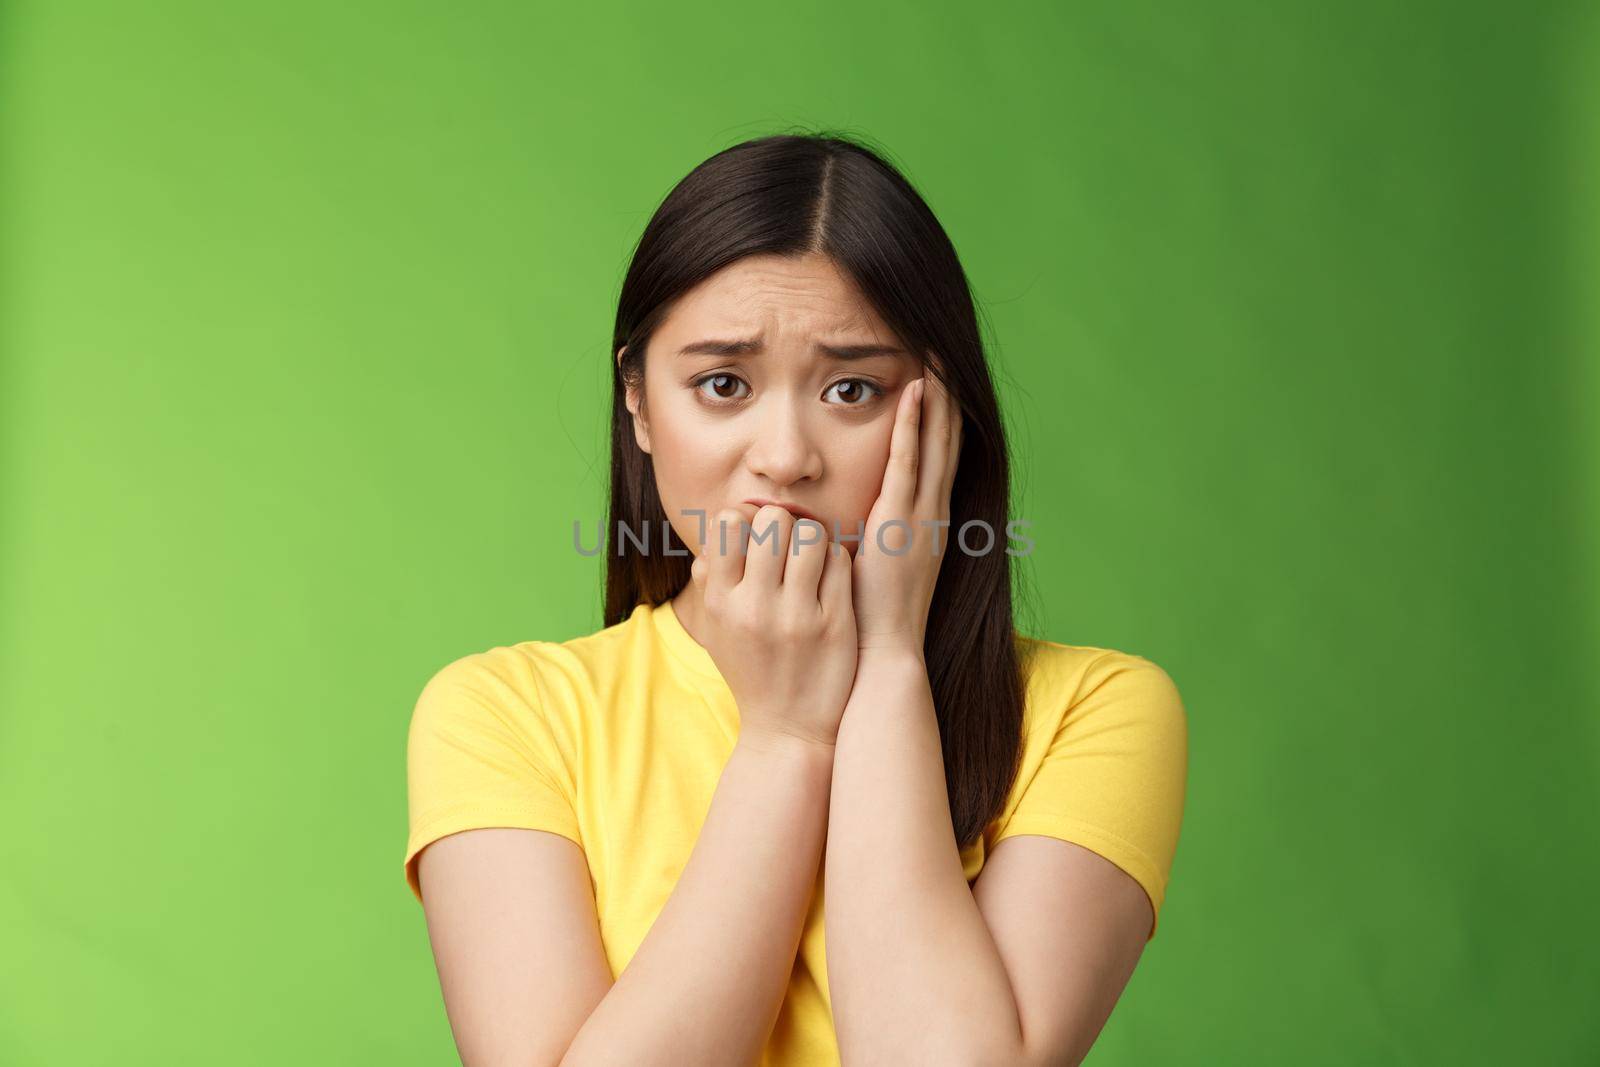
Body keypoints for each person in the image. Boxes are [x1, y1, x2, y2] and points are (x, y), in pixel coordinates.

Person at [402, 131, 1188, 1066]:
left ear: (939, 411)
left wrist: (889, 662)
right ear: (640, 404)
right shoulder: (505, 716)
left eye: (851, 388)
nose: (783, 455)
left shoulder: (1094, 713)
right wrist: (784, 737)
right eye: (722, 384)